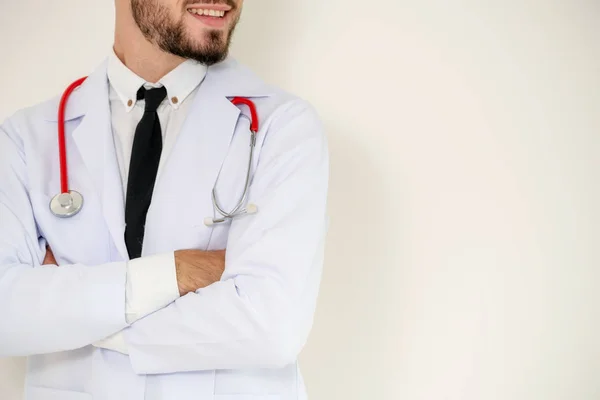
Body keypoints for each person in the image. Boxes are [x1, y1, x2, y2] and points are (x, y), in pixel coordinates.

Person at [0, 0, 329, 399]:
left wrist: (70, 311)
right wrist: (176, 272)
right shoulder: (24, 139)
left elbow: (272, 325)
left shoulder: (283, 127)